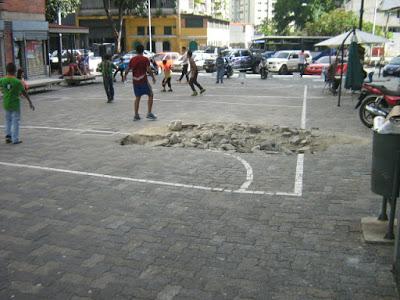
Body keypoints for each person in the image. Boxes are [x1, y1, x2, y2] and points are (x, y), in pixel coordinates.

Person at [0, 63, 35, 144]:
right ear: (15, 71)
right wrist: (30, 102)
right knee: (15, 121)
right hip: (15, 104)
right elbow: (24, 92)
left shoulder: (2, 80)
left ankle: (8, 136)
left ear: (7, 71)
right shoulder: (17, 82)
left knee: (8, 120)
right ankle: (15, 139)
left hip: (6, 103)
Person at [123, 44, 157, 121]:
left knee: (137, 97)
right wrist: (153, 77)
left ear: (136, 51)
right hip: (143, 80)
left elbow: (128, 69)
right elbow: (149, 70)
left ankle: (136, 115)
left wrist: (124, 76)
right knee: (150, 94)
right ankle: (149, 113)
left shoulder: (132, 59)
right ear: (143, 50)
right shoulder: (145, 59)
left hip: (135, 81)